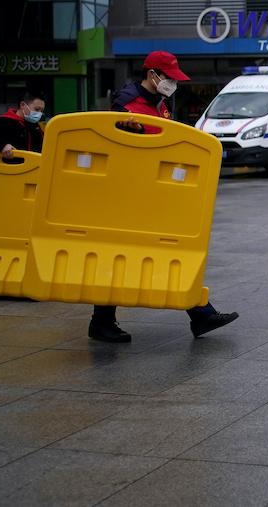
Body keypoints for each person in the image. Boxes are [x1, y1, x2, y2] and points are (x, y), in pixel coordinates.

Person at [87, 50, 239, 344]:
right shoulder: (125, 106)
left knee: (165, 253)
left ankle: (200, 314)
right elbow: (119, 146)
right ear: (152, 75)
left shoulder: (159, 105)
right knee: (123, 256)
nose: (172, 83)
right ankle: (103, 321)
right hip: (131, 195)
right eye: (168, 77)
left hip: (153, 192)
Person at [0, 92, 46, 158]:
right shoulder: (3, 122)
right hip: (7, 170)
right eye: (36, 109)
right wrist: (2, 145)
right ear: (22, 105)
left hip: (32, 169)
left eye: (42, 111)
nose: (39, 113)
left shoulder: (35, 127)